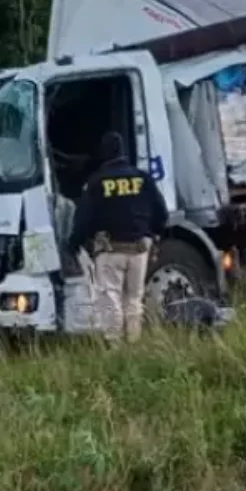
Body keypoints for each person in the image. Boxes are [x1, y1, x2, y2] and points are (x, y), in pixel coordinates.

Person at [67, 132, 168, 344]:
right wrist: (152, 234)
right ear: (122, 151)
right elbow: (162, 212)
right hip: (139, 249)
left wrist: (74, 244)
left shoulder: (96, 183)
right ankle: (134, 341)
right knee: (134, 299)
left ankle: (115, 346)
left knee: (110, 298)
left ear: (103, 154)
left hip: (110, 250)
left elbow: (84, 219)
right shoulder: (142, 178)